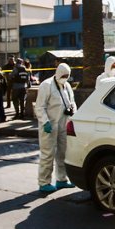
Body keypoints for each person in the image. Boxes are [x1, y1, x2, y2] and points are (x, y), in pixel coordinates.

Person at [35, 63, 77, 194]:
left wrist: (73, 114)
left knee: (63, 153)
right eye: (63, 75)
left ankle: (62, 180)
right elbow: (40, 107)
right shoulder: (46, 85)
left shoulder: (67, 86)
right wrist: (45, 122)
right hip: (49, 125)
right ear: (58, 73)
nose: (65, 77)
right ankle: (44, 182)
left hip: (64, 123)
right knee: (48, 154)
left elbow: (72, 102)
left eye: (67, 76)